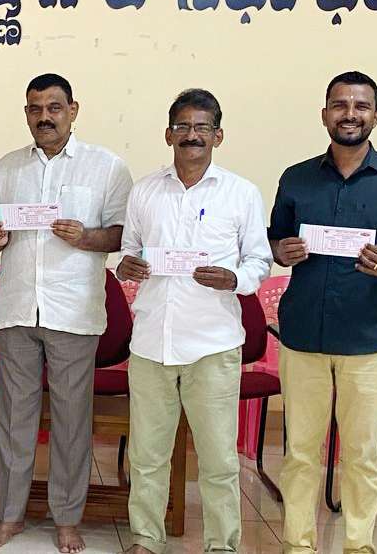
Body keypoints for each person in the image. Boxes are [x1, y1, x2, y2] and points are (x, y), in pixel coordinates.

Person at [269, 71, 377, 554]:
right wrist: (282, 251)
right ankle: (298, 543)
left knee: (361, 454)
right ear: (324, 114)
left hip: (369, 336)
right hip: (304, 335)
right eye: (340, 105)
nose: (350, 114)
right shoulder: (296, 178)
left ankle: (359, 544)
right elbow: (275, 239)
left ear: (376, 116)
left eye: (360, 106)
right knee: (300, 452)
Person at [0, 73, 132, 554]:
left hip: (73, 310)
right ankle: (12, 514)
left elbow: (123, 234)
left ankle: (67, 518)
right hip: (18, 308)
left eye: (54, 107)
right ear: (26, 113)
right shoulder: (8, 167)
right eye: (35, 109)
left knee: (71, 420)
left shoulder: (106, 167)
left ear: (73, 110)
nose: (44, 117)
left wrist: (86, 237)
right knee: (15, 417)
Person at [115, 88, 271, 554]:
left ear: (218, 136)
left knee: (219, 460)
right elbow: (128, 252)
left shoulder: (241, 193)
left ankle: (221, 546)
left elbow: (260, 260)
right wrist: (126, 265)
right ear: (168, 134)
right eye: (182, 126)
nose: (192, 135)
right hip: (152, 343)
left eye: (202, 127)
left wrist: (234, 279)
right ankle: (147, 539)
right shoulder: (145, 191)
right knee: (147, 456)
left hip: (212, 345)